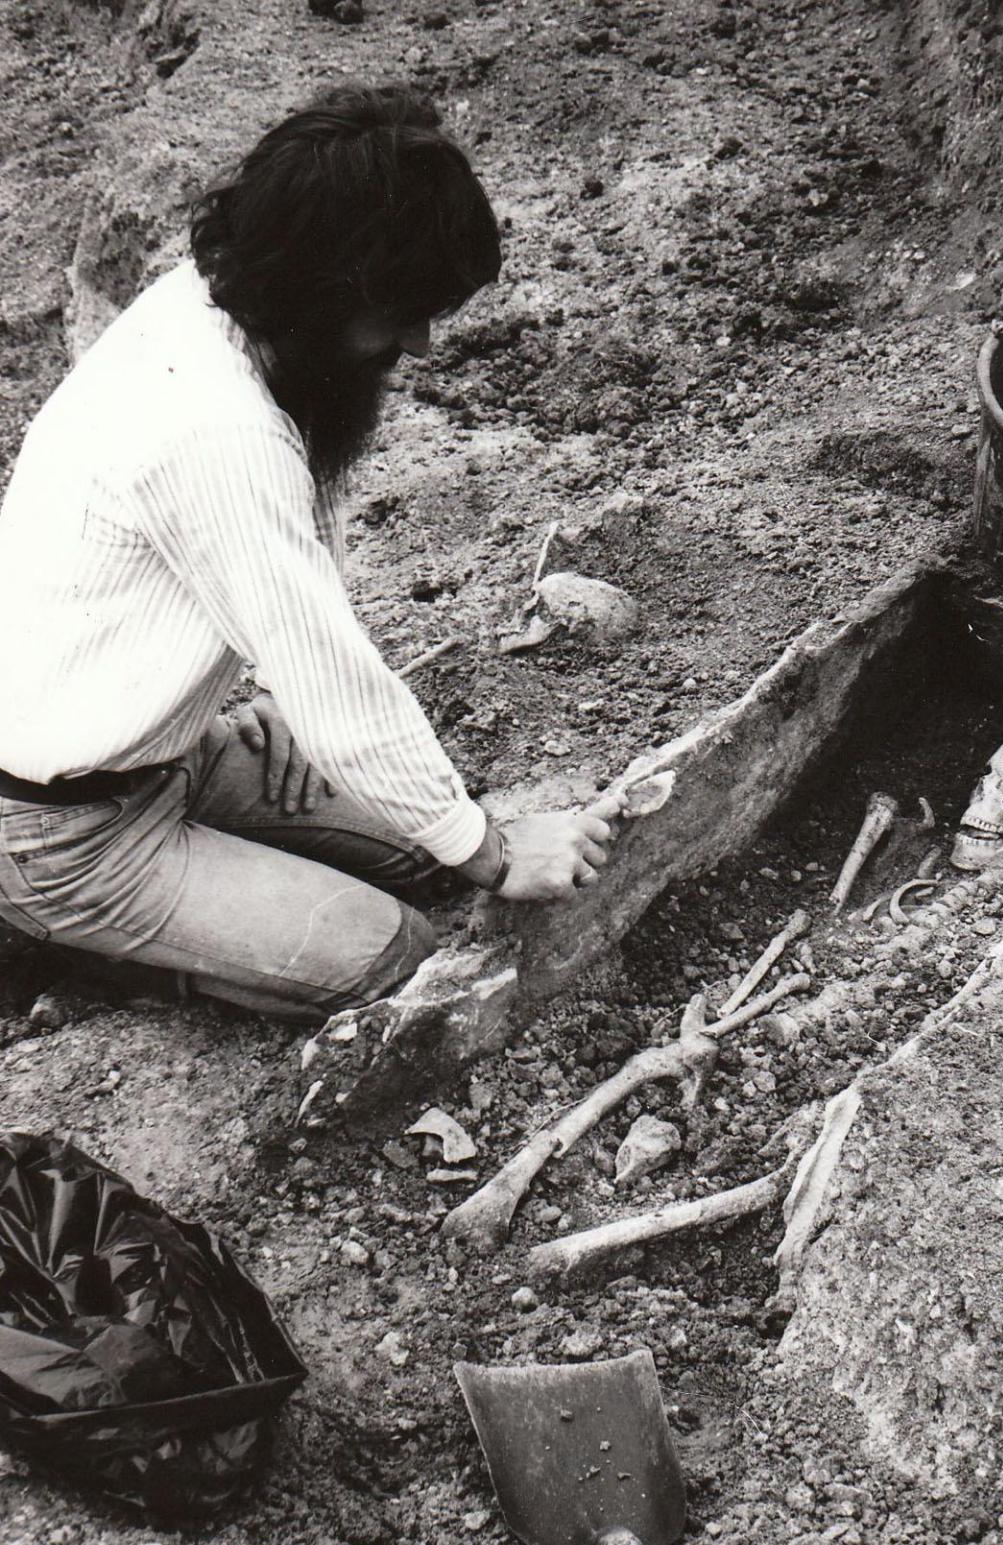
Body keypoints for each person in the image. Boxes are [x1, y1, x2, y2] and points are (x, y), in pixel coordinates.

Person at [0, 83, 615, 1024]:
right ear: (323, 288)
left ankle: (194, 888)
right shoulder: (212, 427)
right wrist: (493, 851)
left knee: (424, 848)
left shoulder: (229, 312)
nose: (415, 340)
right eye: (402, 310)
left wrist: (279, 706)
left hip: (165, 752)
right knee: (397, 953)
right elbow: (332, 677)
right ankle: (70, 940)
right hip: (61, 831)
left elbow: (287, 592)